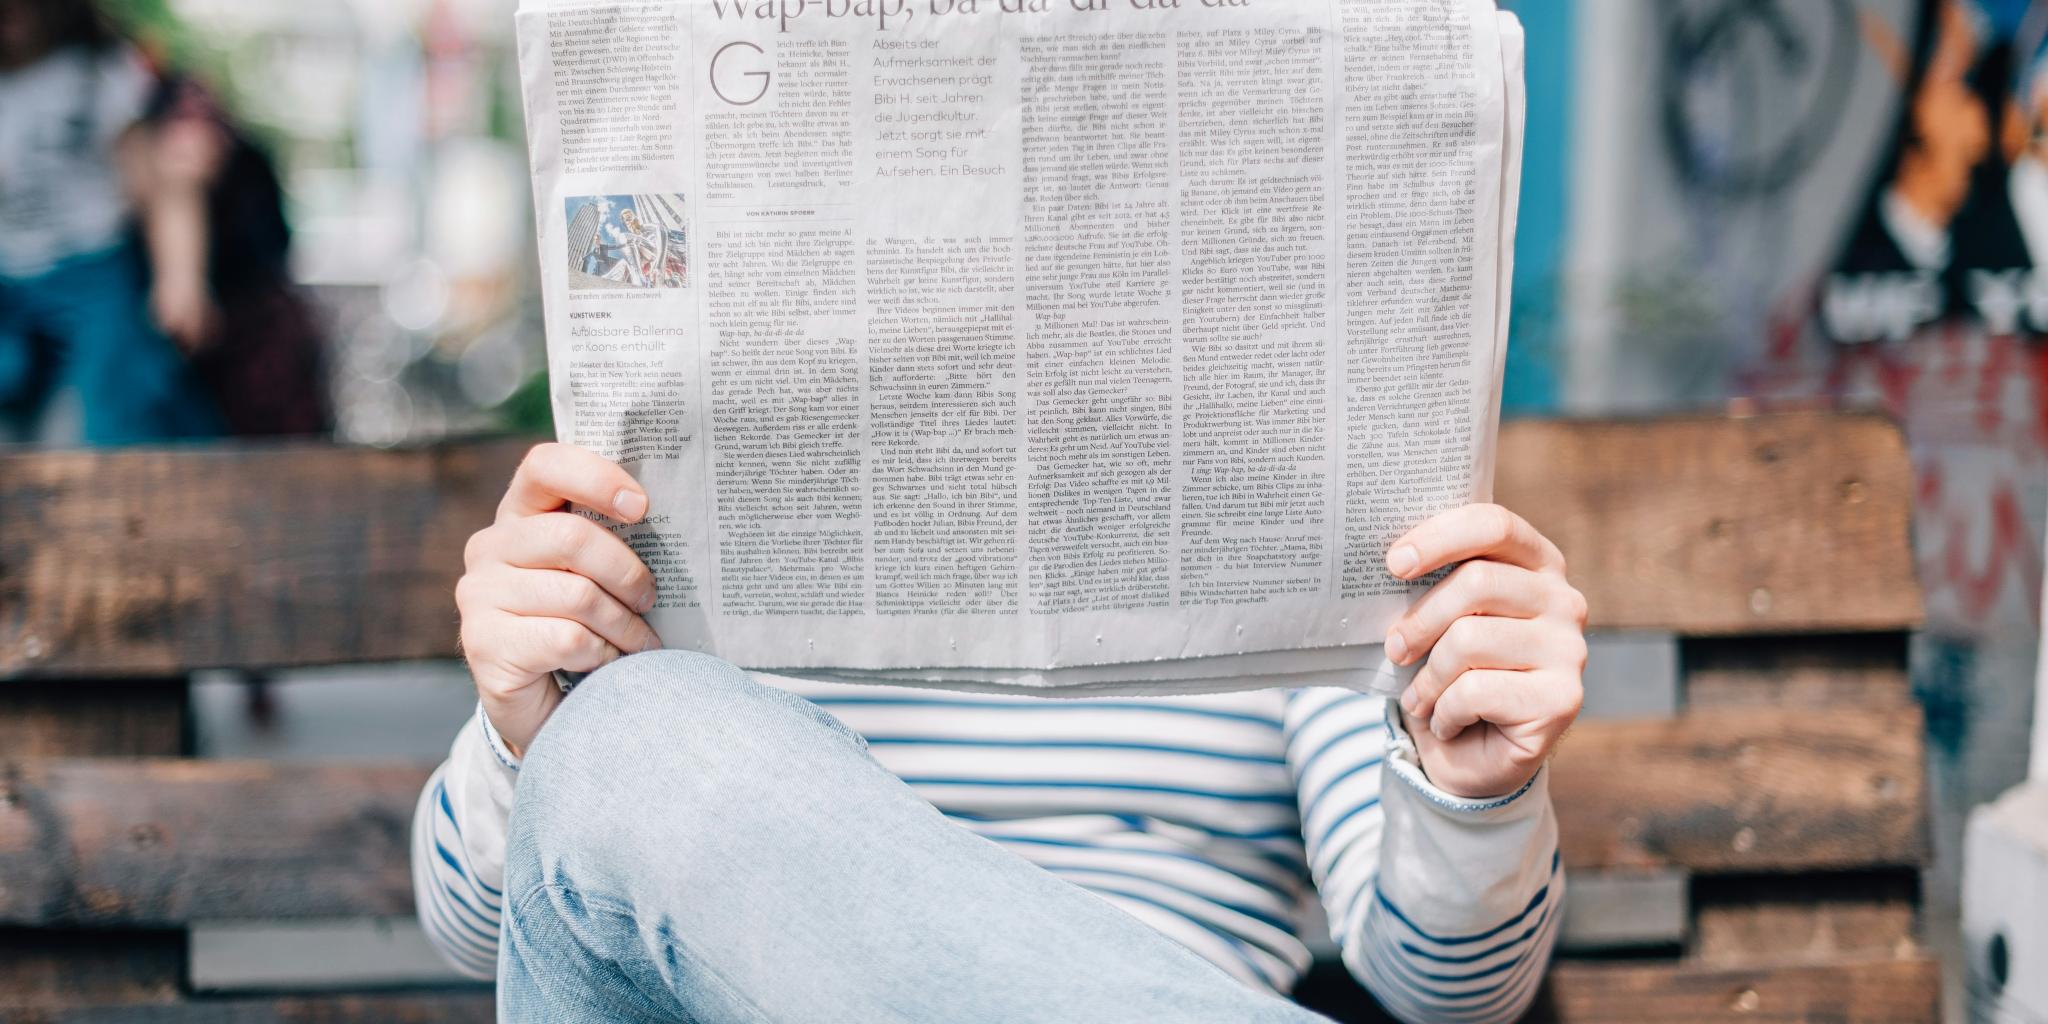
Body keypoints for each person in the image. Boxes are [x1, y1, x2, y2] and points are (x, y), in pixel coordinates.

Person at [414, 444, 1585, 1023]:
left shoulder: (1302, 510)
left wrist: (1470, 792)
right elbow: (487, 931)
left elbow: (1449, 994)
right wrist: (534, 722)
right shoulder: (657, 504)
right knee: (639, 734)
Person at [0, 0, 220, 443]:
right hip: (8, 278)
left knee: (107, 408)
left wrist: (181, 279)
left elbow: (162, 188)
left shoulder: (98, 72)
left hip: (91, 271)